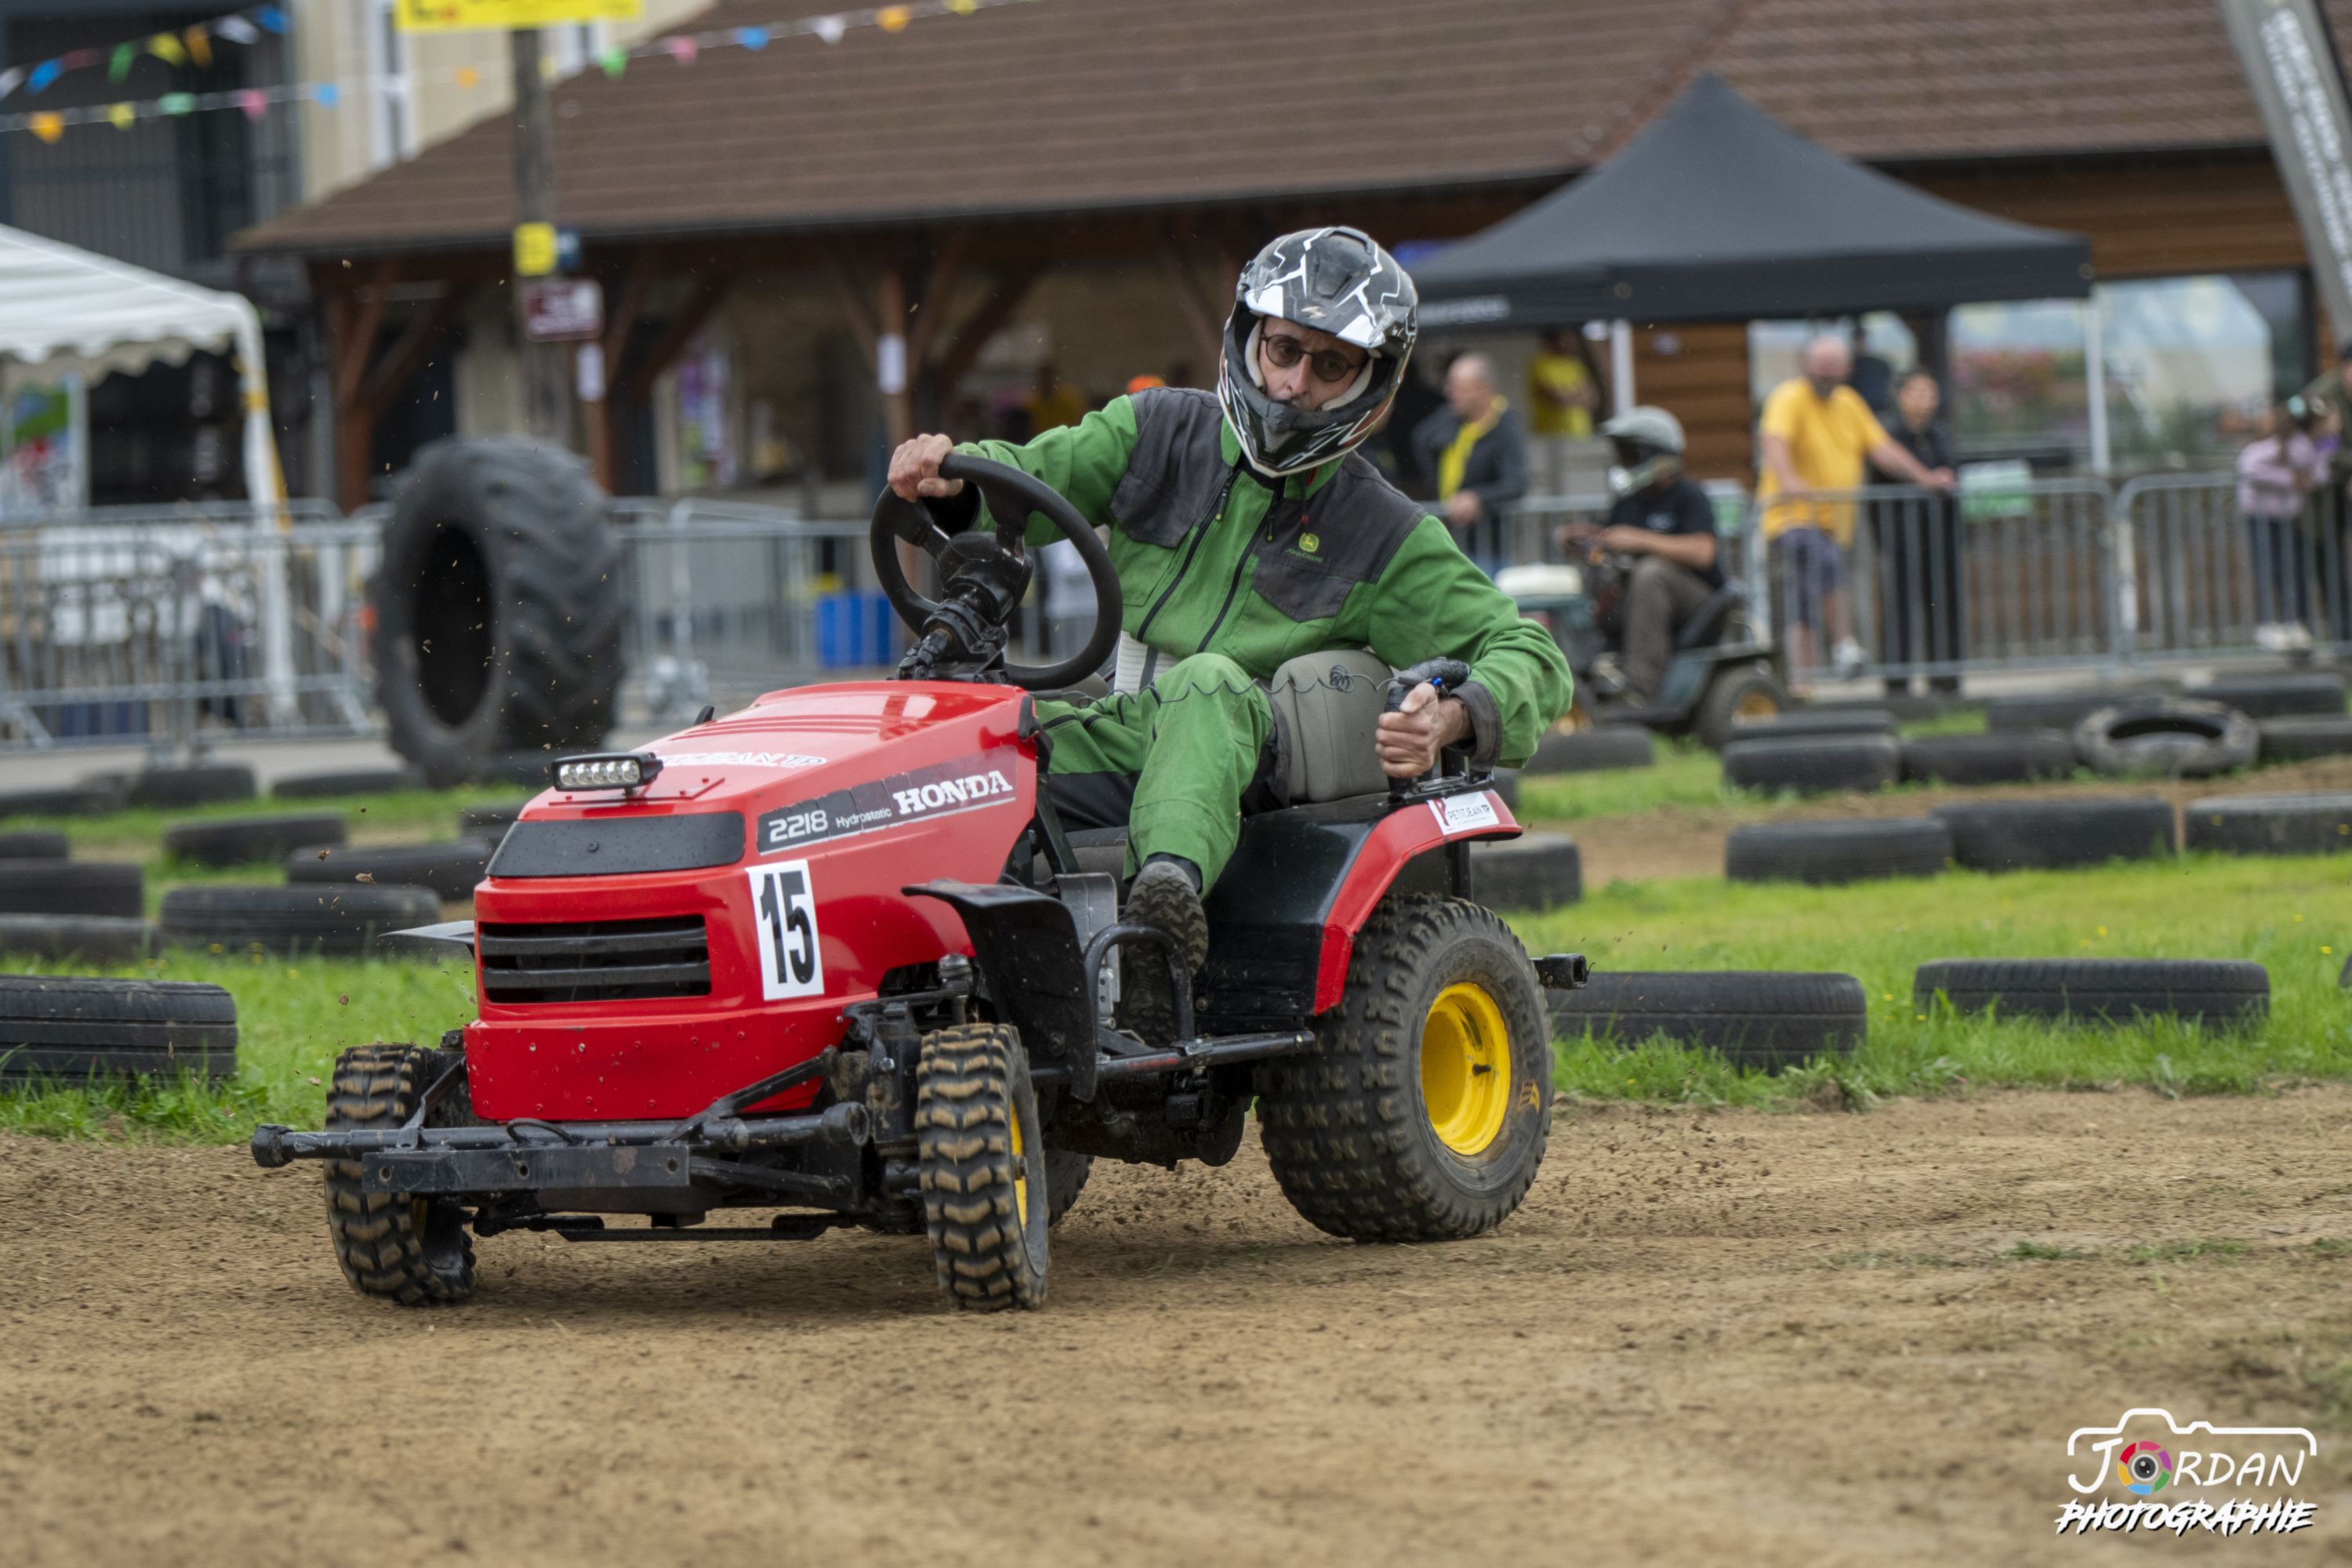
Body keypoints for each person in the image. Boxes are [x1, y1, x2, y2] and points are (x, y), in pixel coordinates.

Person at [887, 226, 1572, 1033]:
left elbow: (1535, 656)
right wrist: (951, 477)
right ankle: (920, 984)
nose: (1293, 384)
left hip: (1255, 757)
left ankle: (1155, 937)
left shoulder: (1386, 534)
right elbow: (1032, 476)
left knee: (1207, 680)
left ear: (1372, 385)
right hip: (1130, 728)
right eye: (1283, 350)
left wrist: (1453, 715)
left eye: (1330, 366)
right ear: (1249, 339)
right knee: (963, 747)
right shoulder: (1156, 431)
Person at [1757, 334, 1954, 684]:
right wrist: (1788, 479)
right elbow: (1774, 439)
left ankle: (1803, 684)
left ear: (1847, 369)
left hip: (1833, 525)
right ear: (1806, 365)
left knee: (1803, 606)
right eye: (1821, 364)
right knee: (1825, 564)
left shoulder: (1849, 403)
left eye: (1834, 365)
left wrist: (1924, 477)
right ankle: (1844, 646)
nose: (1827, 372)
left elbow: (1883, 450)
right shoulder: (1789, 397)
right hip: (1791, 520)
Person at [1561, 406, 1720, 707]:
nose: (1624, 462)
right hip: (1642, 598)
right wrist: (1587, 540)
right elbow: (1611, 542)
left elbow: (1704, 552)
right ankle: (1585, 674)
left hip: (1698, 601)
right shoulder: (1628, 502)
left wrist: (1641, 540)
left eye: (1631, 454)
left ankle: (1640, 687)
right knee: (1596, 587)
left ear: (1659, 456)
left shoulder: (1690, 496)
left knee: (1651, 572)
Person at [1867, 369, 1967, 695]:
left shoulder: (1941, 435)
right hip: (1901, 538)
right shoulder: (1887, 438)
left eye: (1930, 393)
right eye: (1917, 392)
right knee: (1899, 608)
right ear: (1902, 397)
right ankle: (1897, 682)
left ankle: (1946, 678)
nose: (1925, 401)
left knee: (1943, 604)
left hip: (1939, 537)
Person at [1412, 353, 1527, 575]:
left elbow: (1516, 484)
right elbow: (1421, 439)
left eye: (1459, 388)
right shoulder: (1451, 419)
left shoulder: (1504, 426)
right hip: (1450, 539)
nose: (1450, 393)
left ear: (1483, 389)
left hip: (1488, 543)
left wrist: (1478, 498)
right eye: (1450, 386)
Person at [2237, 397, 2328, 652]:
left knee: (2291, 570)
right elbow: (2249, 466)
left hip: (2287, 517)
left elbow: (2319, 473)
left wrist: (2307, 478)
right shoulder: (2277, 445)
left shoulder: (2309, 446)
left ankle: (2292, 624)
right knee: (2270, 569)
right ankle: (2269, 625)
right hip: (2262, 516)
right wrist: (2290, 479)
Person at [1526, 327, 1600, 495]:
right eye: (1564, 339)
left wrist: (1570, 397)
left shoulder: (1574, 364)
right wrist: (1578, 396)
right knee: (1558, 486)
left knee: (1583, 482)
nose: (1569, 343)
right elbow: (1554, 397)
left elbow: (1593, 398)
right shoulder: (1540, 363)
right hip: (1552, 438)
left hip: (1581, 435)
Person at [1024, 361, 1086, 434]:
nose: (1047, 382)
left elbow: (1079, 423)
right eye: (1044, 378)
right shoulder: (1031, 405)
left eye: (1049, 378)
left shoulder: (1069, 400)